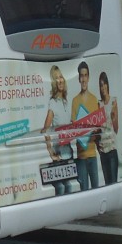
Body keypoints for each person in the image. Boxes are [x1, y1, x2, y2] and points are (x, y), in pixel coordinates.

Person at [41, 65, 72, 195]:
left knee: (69, 187)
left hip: (68, 151)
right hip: (59, 151)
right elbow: (45, 129)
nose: (60, 80)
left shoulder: (65, 101)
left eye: (61, 77)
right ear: (53, 83)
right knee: (61, 188)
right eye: (56, 78)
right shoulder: (53, 102)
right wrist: (50, 151)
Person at [70, 61, 100, 190]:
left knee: (95, 189)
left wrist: (93, 134)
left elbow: (98, 128)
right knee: (84, 190)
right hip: (81, 156)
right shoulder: (75, 101)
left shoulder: (94, 100)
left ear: (88, 77)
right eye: (81, 76)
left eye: (85, 75)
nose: (83, 79)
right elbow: (74, 127)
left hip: (92, 154)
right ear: (78, 78)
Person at [97, 70, 120, 185]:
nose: (103, 87)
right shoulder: (98, 104)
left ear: (107, 85)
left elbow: (116, 128)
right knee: (107, 183)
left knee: (113, 183)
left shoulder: (113, 102)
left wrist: (113, 117)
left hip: (111, 149)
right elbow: (97, 128)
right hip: (102, 150)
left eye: (104, 84)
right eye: (101, 85)